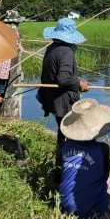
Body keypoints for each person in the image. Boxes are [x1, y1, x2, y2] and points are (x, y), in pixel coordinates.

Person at [37, 17, 89, 169]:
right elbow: (64, 79)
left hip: (53, 100)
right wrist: (79, 83)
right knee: (68, 136)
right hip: (63, 102)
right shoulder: (66, 51)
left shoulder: (52, 47)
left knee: (63, 134)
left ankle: (61, 168)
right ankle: (66, 169)